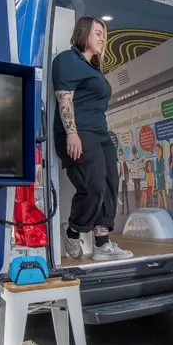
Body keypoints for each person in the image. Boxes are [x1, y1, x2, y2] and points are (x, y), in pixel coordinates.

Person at [52, 16, 133, 262]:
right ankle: (73, 231)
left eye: (104, 35)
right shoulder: (67, 60)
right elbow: (64, 98)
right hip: (80, 132)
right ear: (83, 33)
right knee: (94, 185)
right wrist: (72, 133)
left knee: (110, 184)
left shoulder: (93, 68)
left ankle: (102, 244)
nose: (103, 39)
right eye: (98, 33)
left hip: (100, 133)